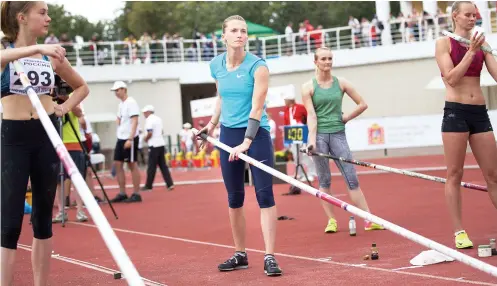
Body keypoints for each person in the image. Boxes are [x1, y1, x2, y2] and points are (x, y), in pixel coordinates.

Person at [0, 2, 89, 285]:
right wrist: (38, 49)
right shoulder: (7, 52)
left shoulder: (53, 56)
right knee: (9, 224)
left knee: (42, 220)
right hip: (13, 138)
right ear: (22, 17)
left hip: (46, 134)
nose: (49, 18)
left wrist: (62, 108)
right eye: (43, 12)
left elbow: (82, 87)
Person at [195, 15, 282, 276]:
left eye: (243, 31)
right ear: (223, 36)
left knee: (265, 196)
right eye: (234, 30)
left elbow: (257, 106)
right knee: (235, 198)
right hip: (228, 136)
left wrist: (247, 141)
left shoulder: (259, 67)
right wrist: (211, 125)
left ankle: (269, 256)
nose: (240, 35)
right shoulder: (216, 66)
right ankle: (240, 254)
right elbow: (221, 96)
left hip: (256, 135)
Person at [301, 47, 384, 234]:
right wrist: (311, 141)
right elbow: (311, 116)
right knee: (324, 180)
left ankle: (369, 219)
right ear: (316, 62)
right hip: (320, 137)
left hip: (338, 134)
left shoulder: (342, 83)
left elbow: (363, 104)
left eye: (330, 58)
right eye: (323, 59)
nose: (328, 62)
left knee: (351, 178)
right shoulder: (308, 87)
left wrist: (346, 117)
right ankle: (332, 220)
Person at [435, 1, 497, 249]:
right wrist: (471, 51)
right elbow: (451, 77)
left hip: (479, 112)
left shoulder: (481, 42)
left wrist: (488, 51)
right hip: (456, 112)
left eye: (475, 15)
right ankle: (459, 231)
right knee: (454, 173)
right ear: (455, 16)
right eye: (468, 15)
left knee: (493, 175)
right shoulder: (443, 43)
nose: (473, 18)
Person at [51, 89, 89, 223]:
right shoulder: (50, 96)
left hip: (73, 143)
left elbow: (79, 113)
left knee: (77, 179)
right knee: (58, 181)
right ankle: (61, 211)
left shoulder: (74, 95)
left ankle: (80, 210)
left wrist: (67, 99)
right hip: (57, 142)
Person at [109, 80, 142, 203]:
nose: (116, 93)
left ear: (124, 89)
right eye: (115, 91)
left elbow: (135, 121)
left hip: (130, 138)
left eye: (117, 90)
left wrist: (130, 138)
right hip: (121, 137)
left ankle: (136, 193)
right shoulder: (121, 104)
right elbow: (119, 117)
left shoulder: (131, 102)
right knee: (118, 164)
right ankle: (122, 192)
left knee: (132, 164)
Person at [282, 93, 316, 182]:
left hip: (302, 132)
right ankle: (299, 173)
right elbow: (286, 123)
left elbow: (308, 118)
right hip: (292, 134)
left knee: (306, 153)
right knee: (295, 155)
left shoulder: (301, 107)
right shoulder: (286, 110)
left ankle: (311, 173)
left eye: (285, 100)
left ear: (290, 100)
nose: (284, 102)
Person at [141, 105, 175, 191]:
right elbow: (162, 131)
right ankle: (169, 183)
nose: (144, 114)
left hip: (153, 144)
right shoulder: (159, 119)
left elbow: (150, 132)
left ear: (148, 112)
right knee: (163, 165)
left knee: (151, 166)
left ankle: (148, 185)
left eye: (144, 113)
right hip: (161, 143)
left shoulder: (149, 120)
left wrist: (145, 139)